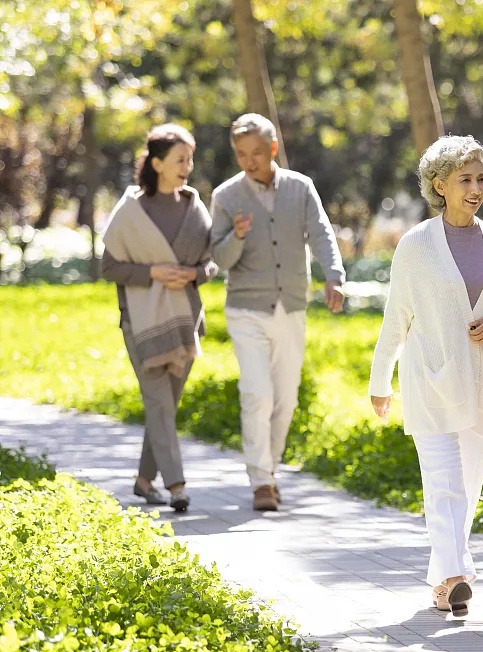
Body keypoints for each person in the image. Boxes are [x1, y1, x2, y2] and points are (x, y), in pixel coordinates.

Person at [369, 135, 483, 618]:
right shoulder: (416, 245)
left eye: (481, 179)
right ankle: (457, 577)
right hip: (430, 380)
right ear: (439, 185)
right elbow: (397, 316)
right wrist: (380, 380)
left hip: (481, 383)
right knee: (443, 485)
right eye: (465, 180)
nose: (477, 188)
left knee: (469, 487)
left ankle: (443, 581)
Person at [210, 113, 346, 512]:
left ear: (272, 148)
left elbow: (320, 232)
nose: (248, 161)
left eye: (256, 152)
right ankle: (261, 480)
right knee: (257, 393)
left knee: (285, 397)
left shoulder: (300, 188)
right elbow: (218, 258)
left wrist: (334, 276)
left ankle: (269, 467)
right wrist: (235, 237)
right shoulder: (226, 196)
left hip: (291, 305)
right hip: (246, 308)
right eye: (240, 154)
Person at [101, 123, 218, 513]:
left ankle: (142, 481)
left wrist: (194, 274)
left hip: (185, 320)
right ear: (156, 163)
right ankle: (177, 486)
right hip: (140, 322)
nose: (188, 166)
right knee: (160, 403)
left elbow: (208, 263)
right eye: (180, 159)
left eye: (190, 158)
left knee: (164, 405)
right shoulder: (131, 210)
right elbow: (110, 267)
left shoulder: (194, 207)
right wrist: (153, 272)